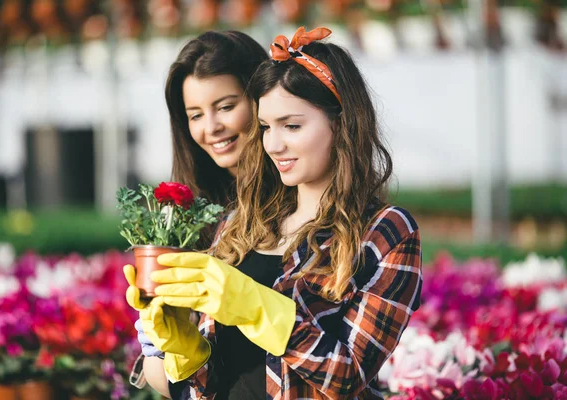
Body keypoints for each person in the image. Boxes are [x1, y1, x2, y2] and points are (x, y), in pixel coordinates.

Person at [130, 26, 422, 399]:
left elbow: (347, 375)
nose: (275, 144)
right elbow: (207, 384)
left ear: (342, 121)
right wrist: (182, 349)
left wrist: (256, 307)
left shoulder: (385, 232)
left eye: (293, 125)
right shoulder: (241, 225)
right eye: (267, 127)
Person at [124, 30, 268, 395]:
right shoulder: (198, 221)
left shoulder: (299, 207)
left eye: (225, 106)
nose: (211, 128)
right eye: (195, 115)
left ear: (261, 99)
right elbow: (174, 384)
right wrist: (161, 341)